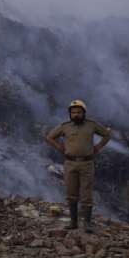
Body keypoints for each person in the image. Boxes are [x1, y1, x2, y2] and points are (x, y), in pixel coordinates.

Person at [45, 100, 111, 233]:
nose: (76, 115)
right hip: (70, 163)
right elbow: (50, 137)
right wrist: (59, 147)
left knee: (86, 194)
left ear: (84, 113)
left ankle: (87, 223)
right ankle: (73, 222)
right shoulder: (65, 126)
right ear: (70, 114)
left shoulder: (91, 125)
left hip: (87, 163)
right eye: (73, 112)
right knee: (71, 193)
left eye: (79, 112)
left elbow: (106, 134)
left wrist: (97, 147)